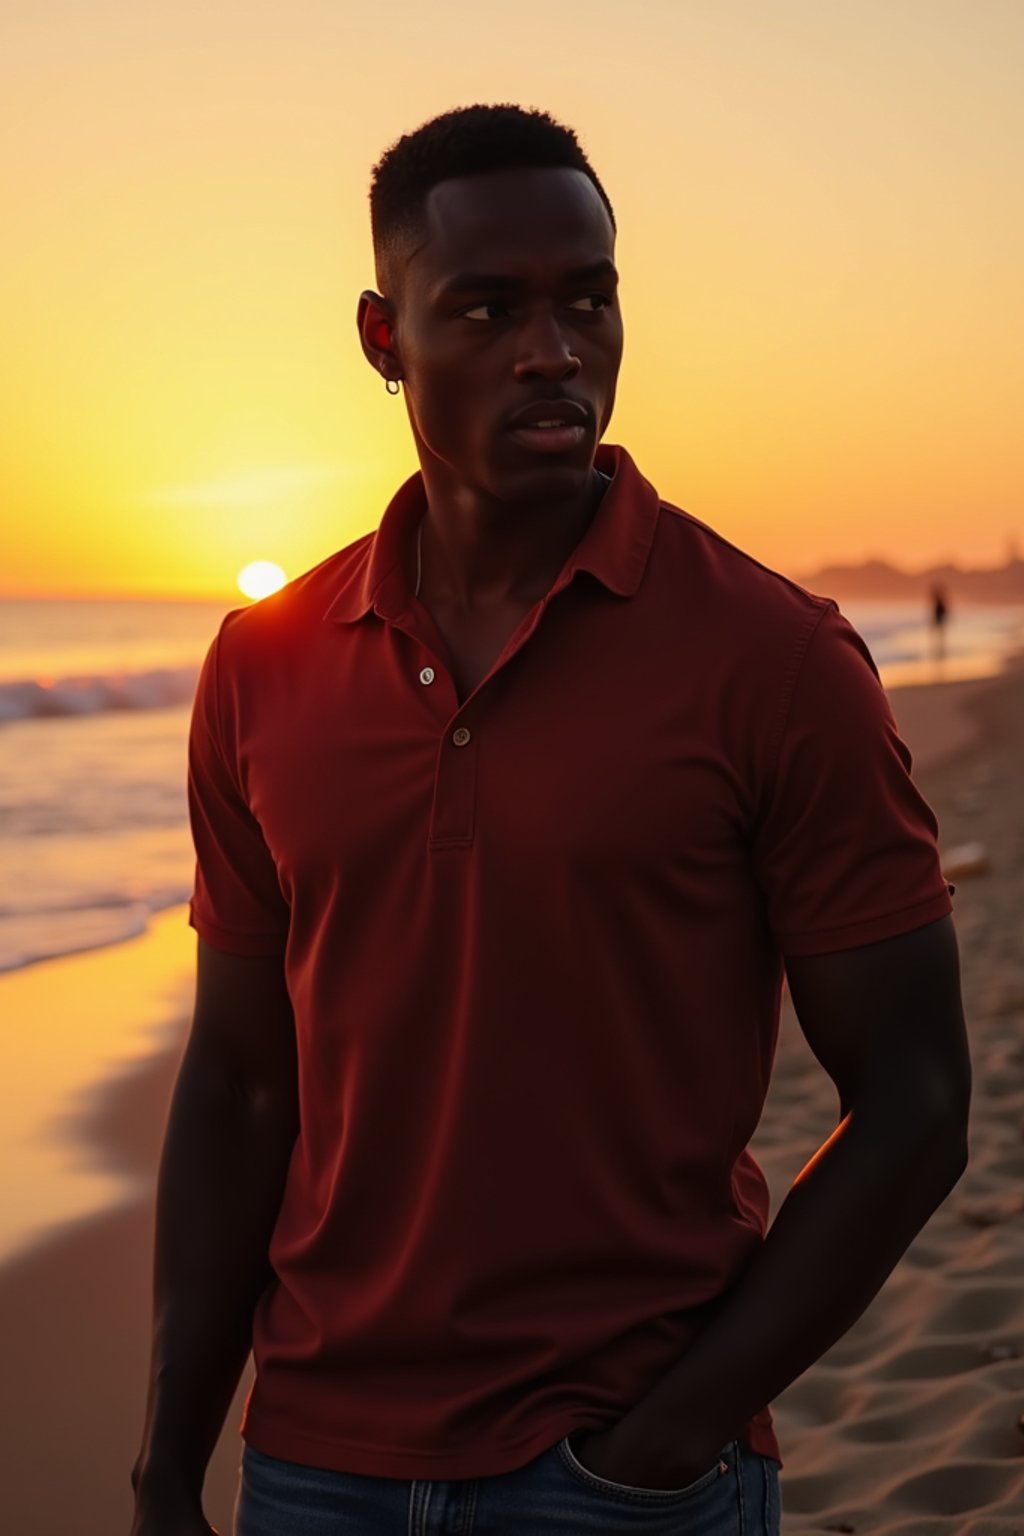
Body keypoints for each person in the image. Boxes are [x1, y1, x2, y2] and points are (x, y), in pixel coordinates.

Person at [130, 105, 972, 1536]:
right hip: (315, 1467)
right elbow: (241, 1086)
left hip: (628, 1477)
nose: (553, 349)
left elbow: (917, 1101)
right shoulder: (261, 667)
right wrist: (165, 1472)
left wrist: (674, 1435)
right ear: (382, 338)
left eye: (589, 298)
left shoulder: (775, 661)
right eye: (490, 307)